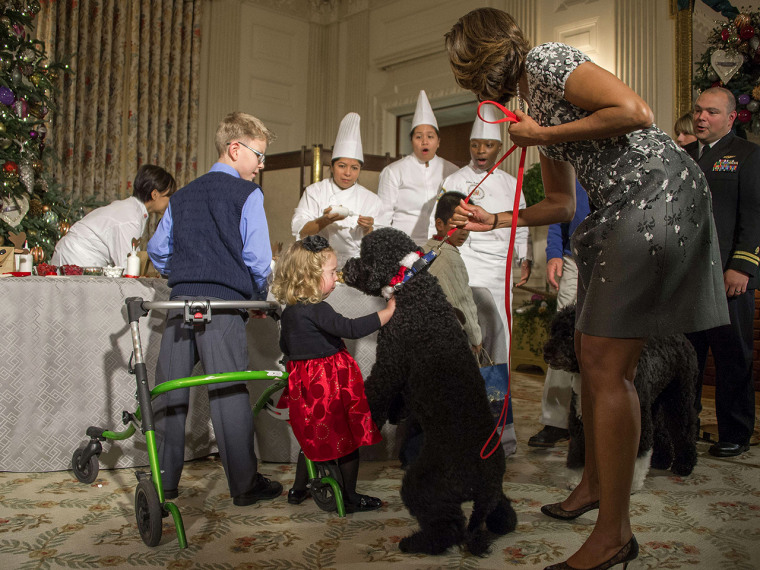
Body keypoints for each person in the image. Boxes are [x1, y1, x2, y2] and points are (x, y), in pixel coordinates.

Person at [445, 8, 728, 570]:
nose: (472, 84)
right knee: (586, 349)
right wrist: (494, 219)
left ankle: (614, 535)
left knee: (604, 362)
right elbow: (561, 206)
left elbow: (635, 112)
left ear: (481, 55)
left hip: (656, 192)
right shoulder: (531, 109)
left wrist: (543, 133)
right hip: (616, 206)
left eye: (467, 69)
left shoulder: (549, 60)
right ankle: (595, 485)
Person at [146, 111, 282, 506]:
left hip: (178, 303)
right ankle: (244, 486)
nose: (261, 166)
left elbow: (158, 250)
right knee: (228, 393)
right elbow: (258, 261)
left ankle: (164, 482)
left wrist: (188, 273)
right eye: (258, 155)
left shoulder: (183, 194)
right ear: (234, 148)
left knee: (170, 392)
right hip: (222, 307)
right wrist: (255, 297)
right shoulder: (247, 195)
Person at [271, 235, 396, 512]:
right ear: (310, 276)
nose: (337, 278)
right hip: (328, 385)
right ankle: (350, 497)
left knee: (311, 440)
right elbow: (350, 329)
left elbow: (286, 348)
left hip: (304, 388)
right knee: (347, 441)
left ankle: (297, 489)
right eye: (332, 273)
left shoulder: (290, 312)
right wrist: (388, 312)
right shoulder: (318, 309)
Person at [684, 87, 760, 458]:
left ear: (731, 118)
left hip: (728, 277)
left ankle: (735, 432)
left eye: (711, 112)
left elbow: (755, 218)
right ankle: (684, 427)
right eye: (698, 111)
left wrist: (742, 266)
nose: (701, 118)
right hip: (685, 278)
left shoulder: (748, 155)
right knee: (686, 357)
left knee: (732, 357)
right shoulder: (681, 157)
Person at [441, 104, 532, 337]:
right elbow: (443, 221)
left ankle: (497, 372)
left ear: (500, 148)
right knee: (466, 321)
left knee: (498, 320)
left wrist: (524, 257)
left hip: (500, 264)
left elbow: (520, 221)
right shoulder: (454, 180)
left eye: (488, 145)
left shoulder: (512, 184)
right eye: (475, 145)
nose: (481, 150)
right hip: (467, 260)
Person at [528, 181, 590, 448]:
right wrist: (554, 253)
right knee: (564, 339)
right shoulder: (573, 170)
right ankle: (556, 421)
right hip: (574, 261)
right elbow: (559, 214)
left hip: (614, 259)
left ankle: (595, 420)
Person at [291, 112, 382, 267]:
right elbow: (302, 230)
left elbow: (380, 241)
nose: (348, 173)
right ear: (332, 167)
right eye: (342, 166)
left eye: (354, 168)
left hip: (356, 266)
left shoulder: (371, 199)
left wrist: (368, 228)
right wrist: (324, 220)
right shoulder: (315, 191)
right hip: (317, 264)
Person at [376, 90, 458, 247]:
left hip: (441, 246)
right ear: (412, 141)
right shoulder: (393, 171)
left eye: (430, 136)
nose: (424, 141)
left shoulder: (452, 171)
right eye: (419, 136)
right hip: (403, 246)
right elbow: (383, 217)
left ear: (438, 141)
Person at [51, 164, 176, 267]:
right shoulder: (130, 217)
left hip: (78, 256)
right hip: (77, 257)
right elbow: (127, 265)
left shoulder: (132, 209)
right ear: (155, 194)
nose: (170, 201)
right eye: (169, 196)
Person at [424, 191, 482, 353]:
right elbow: (462, 302)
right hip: (442, 340)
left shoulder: (423, 249)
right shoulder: (451, 258)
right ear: (439, 224)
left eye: (468, 225)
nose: (464, 231)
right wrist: (476, 338)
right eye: (458, 225)